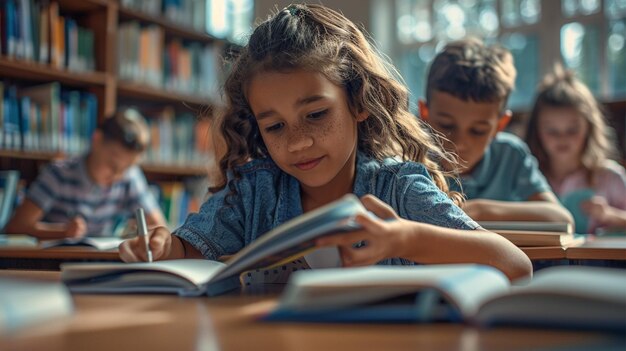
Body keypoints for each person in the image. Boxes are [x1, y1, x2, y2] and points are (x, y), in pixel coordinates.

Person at [120, 4, 531, 281]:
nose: (298, 144)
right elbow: (189, 252)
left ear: (358, 102)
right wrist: (162, 245)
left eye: (315, 115)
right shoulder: (252, 191)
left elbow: (515, 264)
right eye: (275, 127)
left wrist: (406, 237)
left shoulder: (399, 188)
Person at [418, 38, 573, 225]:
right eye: (446, 125)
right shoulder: (412, 156)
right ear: (424, 113)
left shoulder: (510, 155)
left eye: (478, 131)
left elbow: (562, 219)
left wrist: (478, 209)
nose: (459, 143)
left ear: (499, 125)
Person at [5, 108, 166, 239]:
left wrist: (143, 234)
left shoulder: (129, 176)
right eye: (112, 165)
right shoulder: (58, 174)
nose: (117, 176)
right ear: (97, 139)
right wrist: (62, 233)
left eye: (127, 168)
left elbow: (159, 227)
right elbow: (16, 227)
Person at [525, 65, 626, 234]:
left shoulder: (610, 176)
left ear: (589, 128)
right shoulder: (527, 179)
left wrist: (609, 215)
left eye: (572, 130)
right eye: (552, 131)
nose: (562, 138)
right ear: (536, 132)